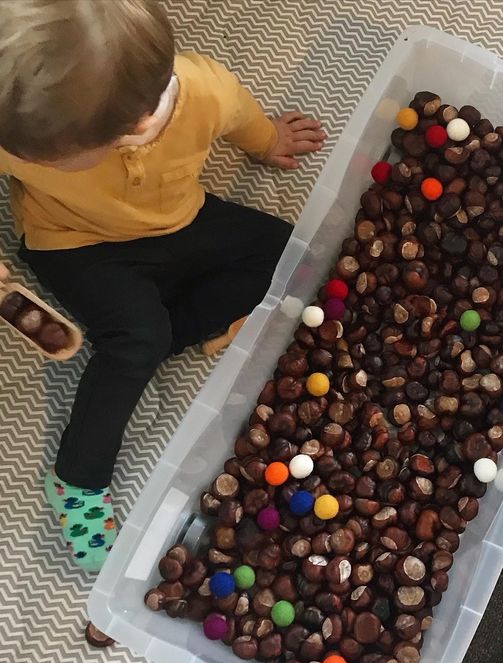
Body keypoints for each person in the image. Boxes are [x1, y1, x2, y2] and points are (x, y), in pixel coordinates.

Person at [0, 0, 325, 572]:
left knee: (293, 253)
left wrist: (267, 138)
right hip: (74, 244)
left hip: (182, 221)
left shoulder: (204, 90)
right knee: (137, 336)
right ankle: (77, 478)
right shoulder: (23, 122)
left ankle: (150, 338)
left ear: (133, 126)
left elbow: (240, 113)